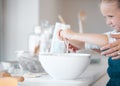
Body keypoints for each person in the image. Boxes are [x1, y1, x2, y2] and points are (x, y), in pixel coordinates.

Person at [58, 0, 120, 86]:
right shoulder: (114, 33)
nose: (107, 22)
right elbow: (85, 43)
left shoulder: (114, 37)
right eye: (105, 17)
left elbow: (106, 40)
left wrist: (74, 35)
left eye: (110, 16)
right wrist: (69, 39)